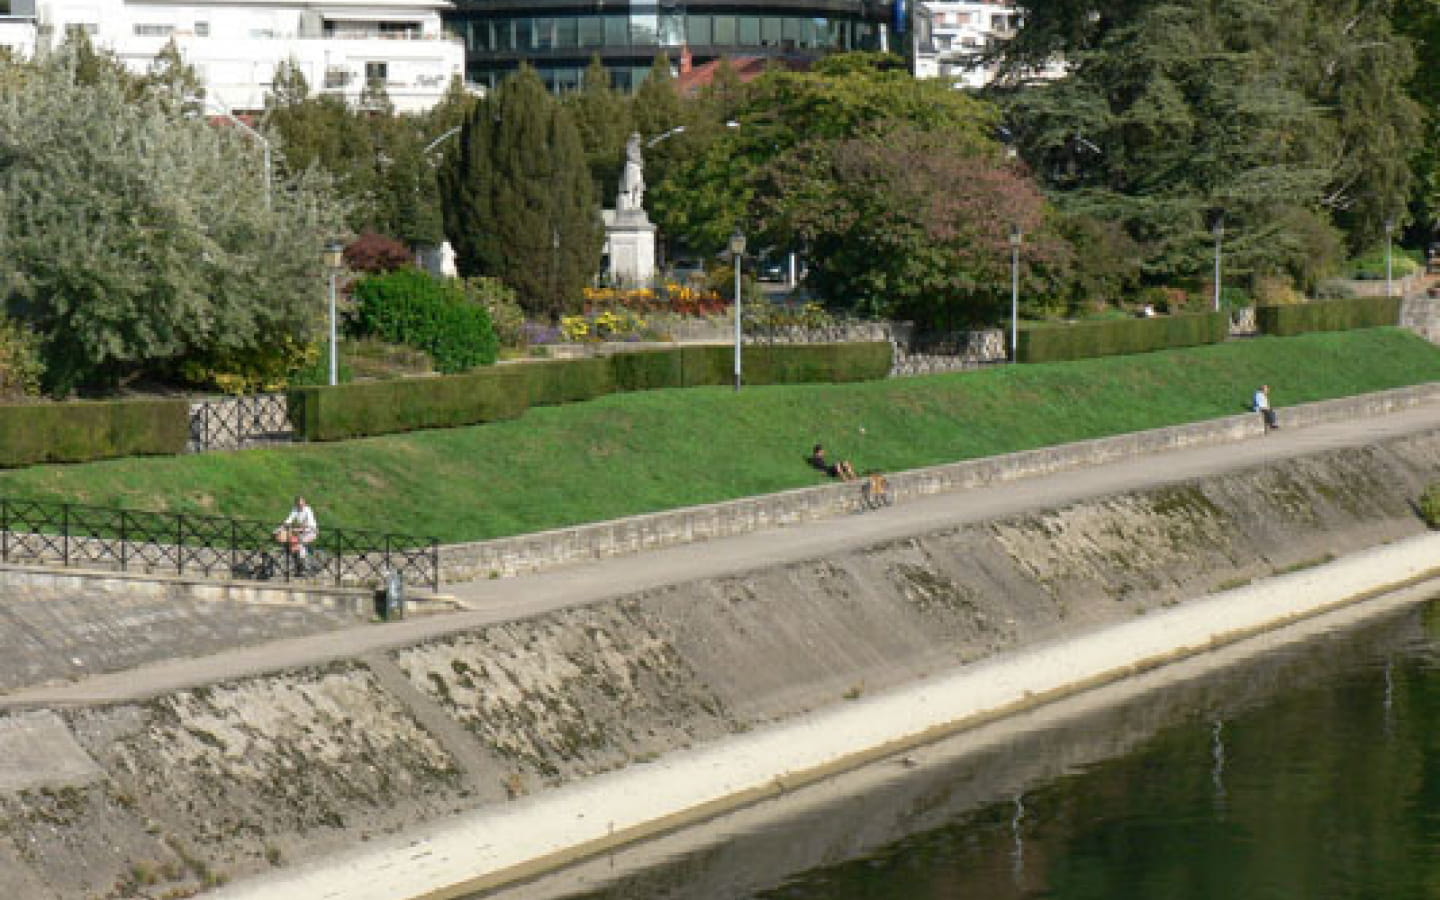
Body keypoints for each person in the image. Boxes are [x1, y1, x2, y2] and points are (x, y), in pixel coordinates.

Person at [276, 496, 319, 569]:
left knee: (300, 543)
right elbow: (288, 520)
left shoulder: (308, 510)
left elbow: (309, 524)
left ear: (304, 503)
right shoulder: (295, 509)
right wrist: (279, 529)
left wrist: (297, 529)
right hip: (301, 532)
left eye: (301, 503)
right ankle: (298, 563)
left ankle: (304, 564)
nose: (300, 505)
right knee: (292, 543)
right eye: (298, 504)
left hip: (311, 531)